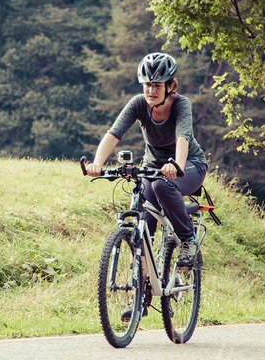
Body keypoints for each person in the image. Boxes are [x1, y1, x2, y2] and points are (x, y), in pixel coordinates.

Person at [85, 52, 208, 269]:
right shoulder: (138, 104)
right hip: (152, 168)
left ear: (170, 86)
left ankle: (188, 240)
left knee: (162, 184)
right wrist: (97, 163)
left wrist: (177, 165)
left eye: (157, 85)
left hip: (189, 165)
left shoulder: (181, 105)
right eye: (147, 85)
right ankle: (140, 292)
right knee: (143, 230)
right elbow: (114, 133)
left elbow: (183, 138)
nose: (151, 90)